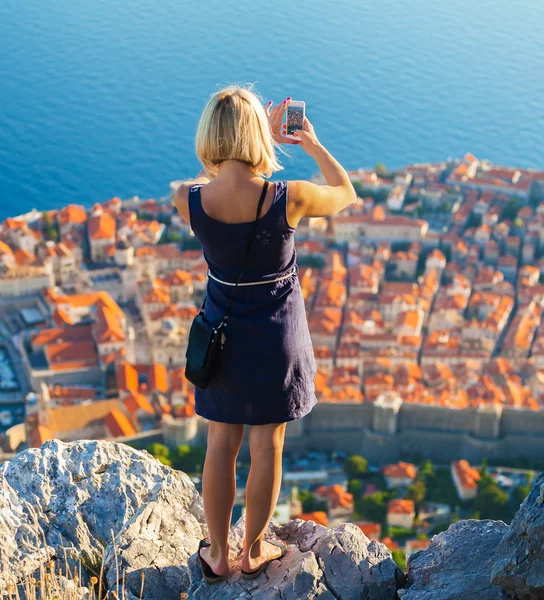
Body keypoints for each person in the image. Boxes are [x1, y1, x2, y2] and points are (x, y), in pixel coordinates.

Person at [174, 85, 357, 583]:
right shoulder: (288, 197)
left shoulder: (186, 200)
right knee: (267, 446)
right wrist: (311, 143)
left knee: (220, 444)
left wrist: (221, 162)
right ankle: (253, 552)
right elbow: (345, 193)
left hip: (222, 336)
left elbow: (205, 184)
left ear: (209, 135)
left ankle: (216, 554)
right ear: (259, 134)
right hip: (277, 339)